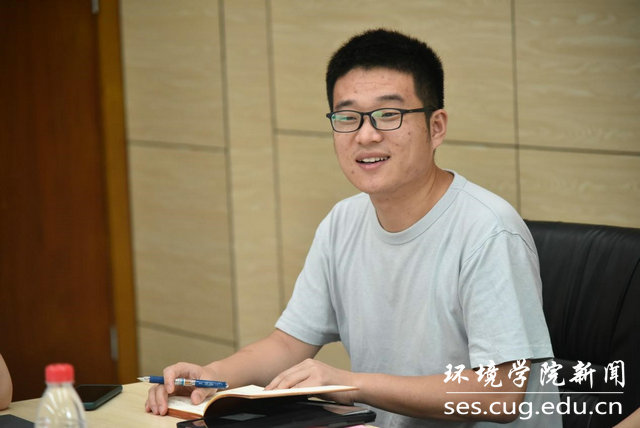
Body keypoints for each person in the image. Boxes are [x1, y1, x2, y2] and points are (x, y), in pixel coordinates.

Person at [146, 28, 561, 427]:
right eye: (347, 117)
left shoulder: (488, 230)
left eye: (388, 115)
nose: (365, 135)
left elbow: (501, 393)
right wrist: (211, 375)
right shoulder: (342, 222)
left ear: (436, 127)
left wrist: (351, 385)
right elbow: (288, 344)